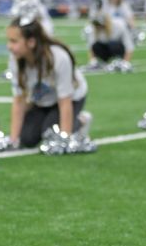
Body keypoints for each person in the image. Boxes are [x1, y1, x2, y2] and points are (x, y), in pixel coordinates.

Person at [5, 12, 91, 147]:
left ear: (31, 42)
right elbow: (19, 100)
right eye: (8, 40)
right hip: (44, 99)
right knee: (27, 139)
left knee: (51, 133)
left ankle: (81, 120)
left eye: (14, 41)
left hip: (71, 98)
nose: (9, 46)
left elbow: (65, 101)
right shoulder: (15, 59)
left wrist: (65, 139)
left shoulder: (58, 57)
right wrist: (13, 140)